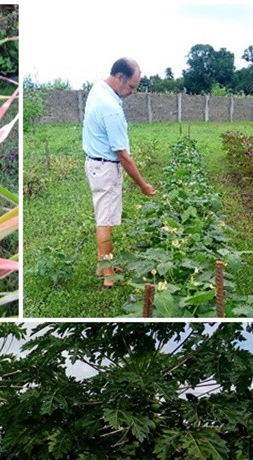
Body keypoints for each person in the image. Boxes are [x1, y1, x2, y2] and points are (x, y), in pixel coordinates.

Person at [82, 57, 156, 287]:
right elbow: (123, 155)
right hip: (104, 167)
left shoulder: (98, 88)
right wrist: (143, 185)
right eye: (131, 86)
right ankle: (107, 276)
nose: (132, 91)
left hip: (96, 163)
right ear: (119, 77)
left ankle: (104, 263)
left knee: (106, 217)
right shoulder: (111, 109)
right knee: (105, 220)